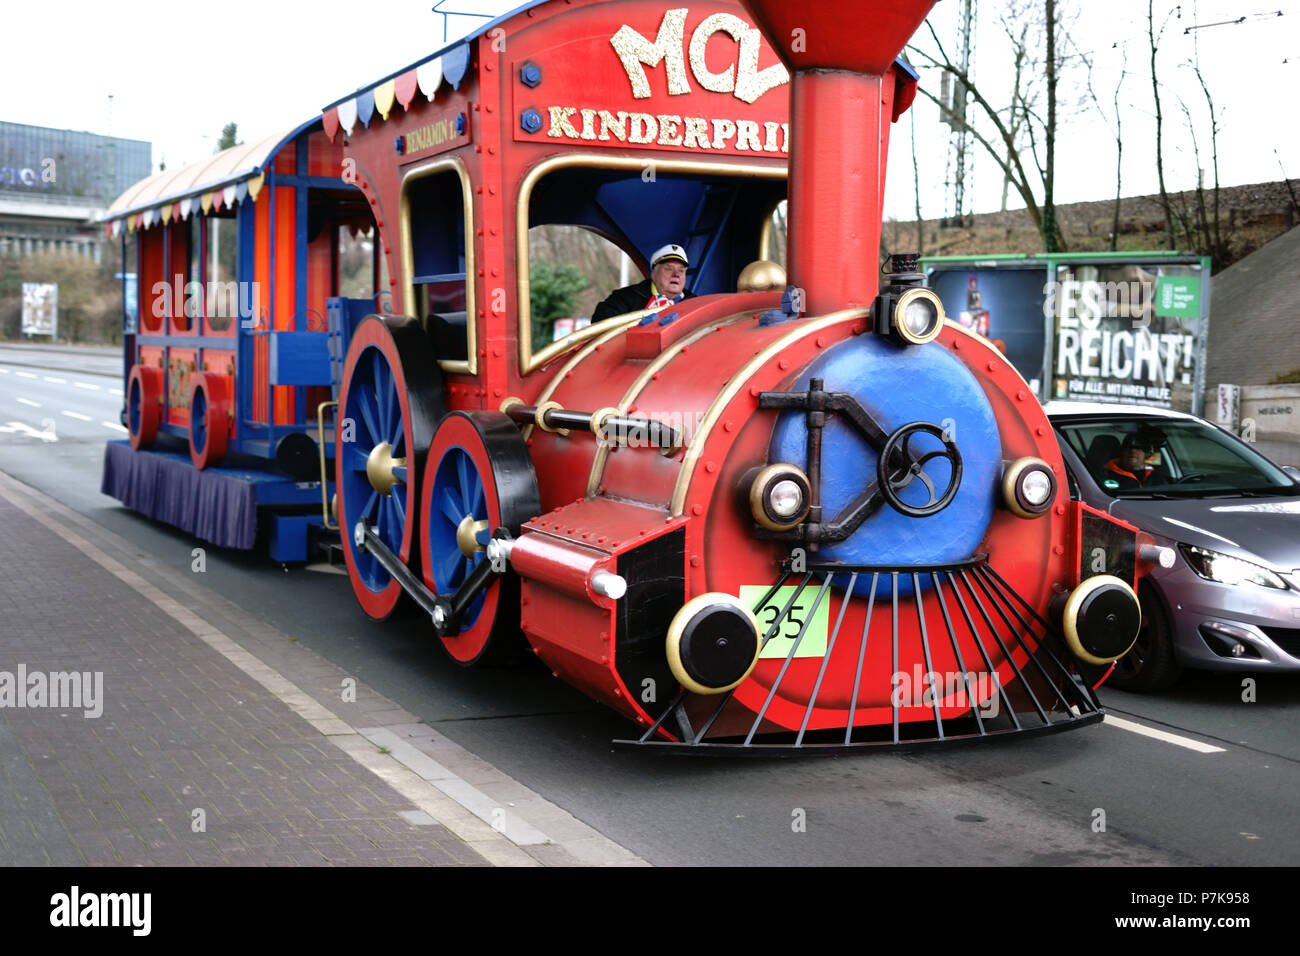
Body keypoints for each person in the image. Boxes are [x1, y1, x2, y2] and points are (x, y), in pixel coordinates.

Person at [592, 244, 695, 322]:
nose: (676, 274)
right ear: (653, 274)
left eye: (681, 270)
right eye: (668, 269)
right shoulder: (625, 298)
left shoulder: (695, 303)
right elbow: (600, 322)